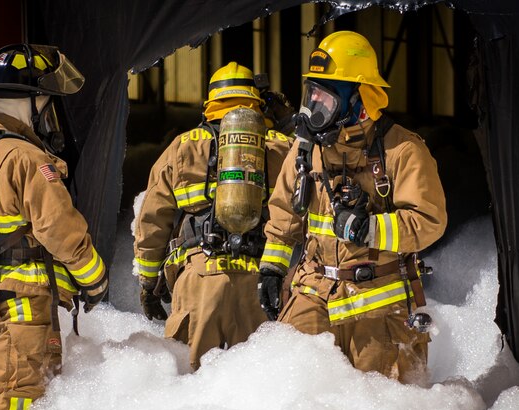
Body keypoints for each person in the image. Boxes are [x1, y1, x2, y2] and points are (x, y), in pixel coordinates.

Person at [258, 31, 447, 384]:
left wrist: (370, 228)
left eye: (324, 100)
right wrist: (271, 268)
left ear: (360, 101)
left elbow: (429, 220)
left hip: (379, 310)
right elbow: (285, 213)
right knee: (289, 401)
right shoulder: (306, 151)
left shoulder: (403, 152)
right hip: (313, 296)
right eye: (311, 95)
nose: (312, 110)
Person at [0, 43, 108, 410]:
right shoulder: (26, 159)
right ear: (33, 101)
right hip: (22, 315)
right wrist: (95, 282)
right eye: (46, 100)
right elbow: (62, 233)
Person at [134, 62, 293, 370]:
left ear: (209, 105)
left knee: (189, 390)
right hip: (260, 282)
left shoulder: (182, 147)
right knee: (257, 391)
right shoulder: (281, 147)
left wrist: (149, 282)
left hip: (197, 278)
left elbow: (152, 219)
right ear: (257, 102)